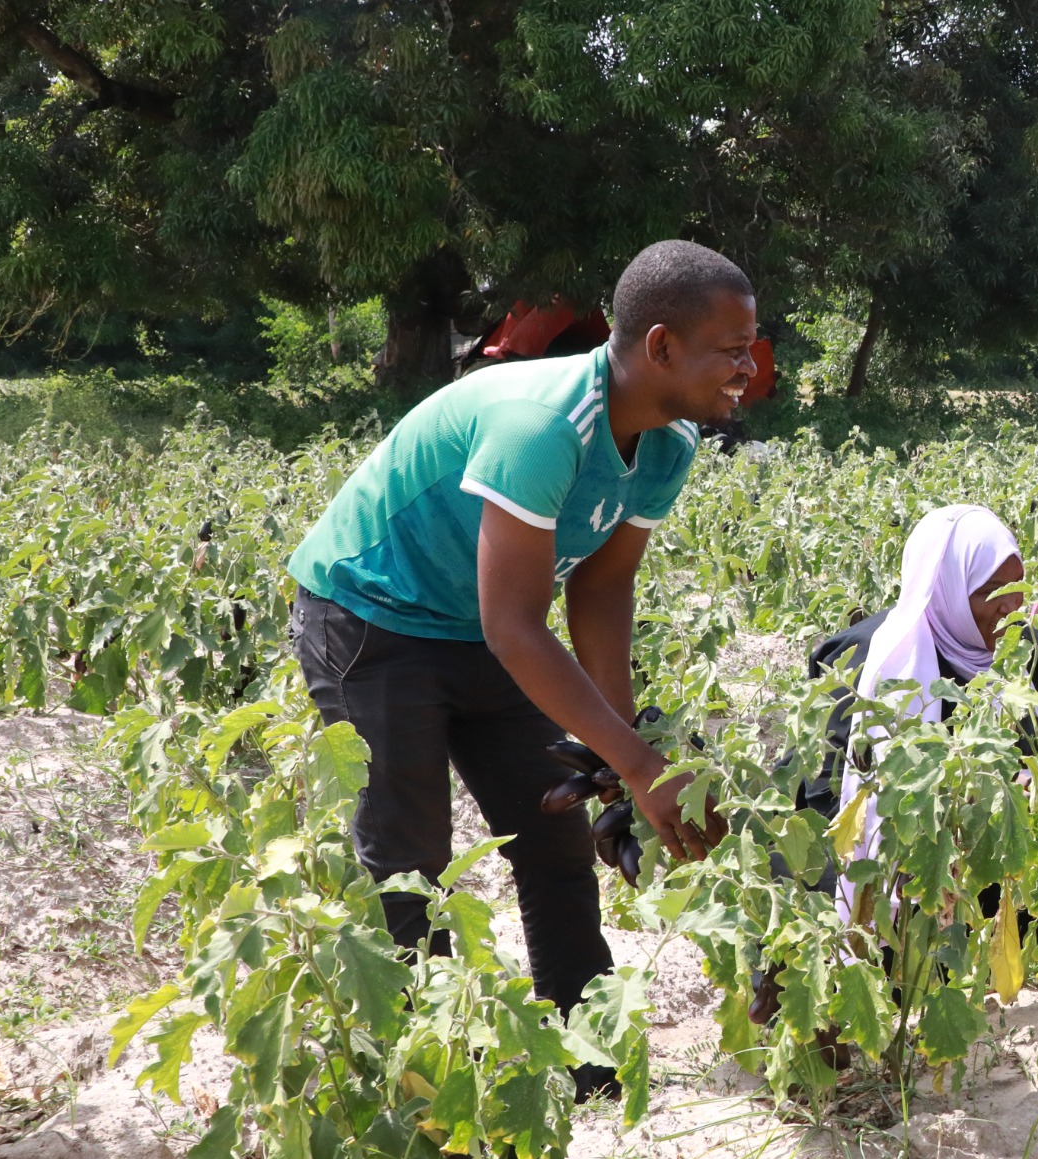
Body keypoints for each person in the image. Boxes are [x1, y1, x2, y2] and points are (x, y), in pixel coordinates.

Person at [288, 240, 758, 1056]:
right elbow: (516, 626)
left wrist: (614, 764)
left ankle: (584, 1057)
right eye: (732, 351)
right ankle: (425, 1077)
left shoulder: (668, 445)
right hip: (373, 616)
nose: (747, 369)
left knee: (556, 844)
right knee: (411, 862)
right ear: (661, 347)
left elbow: (601, 592)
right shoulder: (543, 424)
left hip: (482, 626)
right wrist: (645, 769)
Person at [802, 505, 1026, 858]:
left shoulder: (1028, 657)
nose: (1011, 606)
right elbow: (828, 795)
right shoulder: (874, 661)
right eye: (991, 591)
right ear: (945, 588)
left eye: (1018, 587)